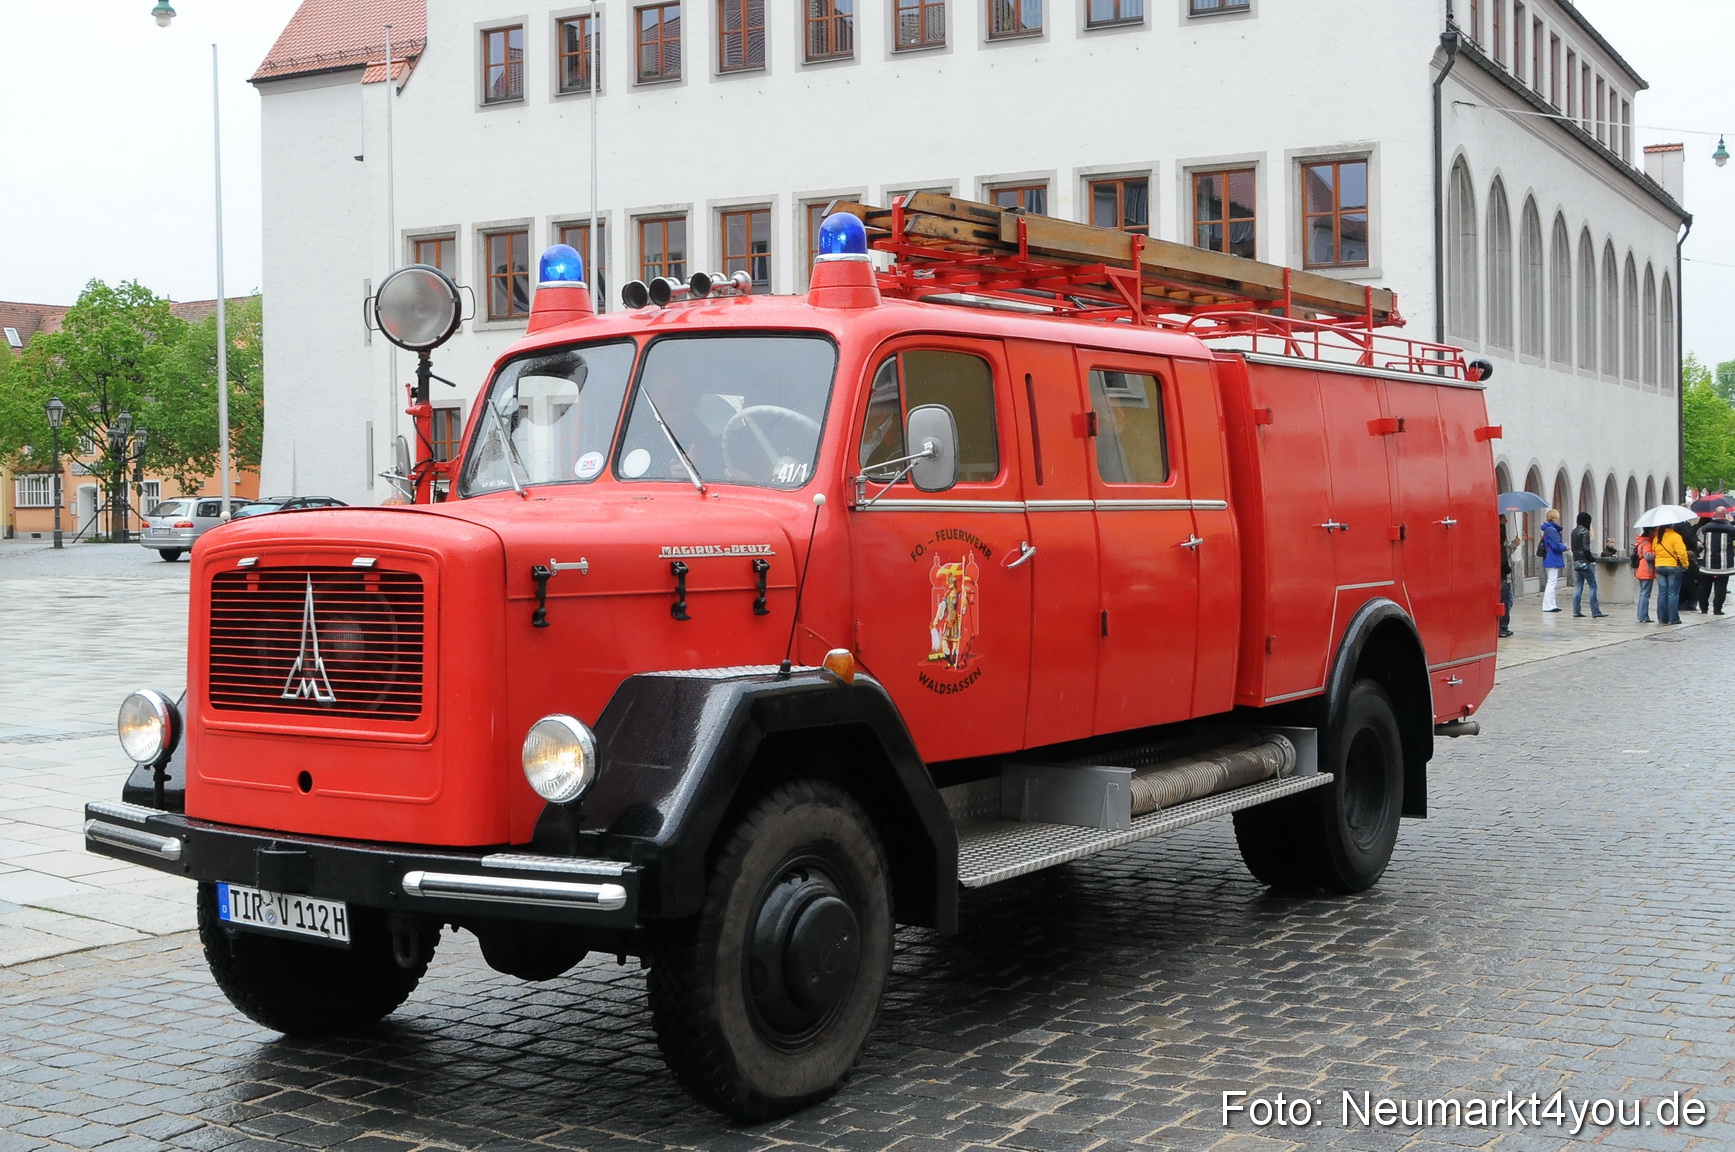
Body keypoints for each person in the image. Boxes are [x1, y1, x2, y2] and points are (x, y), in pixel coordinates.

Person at [1570, 511, 1608, 618]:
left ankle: (1576, 610)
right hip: (1585, 562)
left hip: (1577, 561)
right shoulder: (1585, 531)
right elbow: (1585, 548)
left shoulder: (1574, 531)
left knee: (1579, 586)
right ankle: (1595, 611)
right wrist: (1591, 558)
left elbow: (1574, 548)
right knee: (1593, 586)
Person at [1652, 520, 1691, 625]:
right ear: (1672, 525)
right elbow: (1681, 553)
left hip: (1659, 566)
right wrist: (1685, 565)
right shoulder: (1675, 536)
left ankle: (1662, 618)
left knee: (1662, 593)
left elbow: (1654, 550)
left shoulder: (1657, 538)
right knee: (1673, 593)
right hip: (1672, 566)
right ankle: (1673, 618)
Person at [1699, 507, 1735, 615]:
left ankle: (1704, 608)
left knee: (1705, 587)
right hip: (1723, 565)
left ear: (1715, 514)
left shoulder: (1706, 527)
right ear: (1724, 515)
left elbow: (1701, 542)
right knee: (1721, 588)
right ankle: (1717, 609)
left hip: (1707, 563)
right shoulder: (1730, 529)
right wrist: (1731, 522)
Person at [1539, 509, 1566, 612]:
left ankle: (1552, 604)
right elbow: (1555, 546)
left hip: (1550, 557)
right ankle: (1547, 605)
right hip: (1552, 557)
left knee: (1552, 581)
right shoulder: (1552, 530)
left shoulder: (1549, 529)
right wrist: (1564, 547)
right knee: (1551, 582)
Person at [1634, 528, 1656, 623]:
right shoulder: (1646, 543)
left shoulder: (1641, 541)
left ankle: (1641, 615)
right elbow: (1648, 555)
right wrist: (1657, 553)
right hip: (1646, 570)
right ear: (1650, 531)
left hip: (1641, 569)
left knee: (1643, 593)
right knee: (1645, 594)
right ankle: (1643, 616)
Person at [1498, 518, 1515, 637]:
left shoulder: (1501, 541)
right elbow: (1504, 559)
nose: (1507, 521)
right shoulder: (1500, 542)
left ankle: (1503, 627)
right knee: (1506, 602)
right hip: (1503, 577)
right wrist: (1514, 545)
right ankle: (1502, 627)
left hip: (1502, 577)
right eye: (1504, 519)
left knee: (1507, 601)